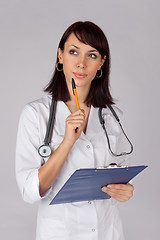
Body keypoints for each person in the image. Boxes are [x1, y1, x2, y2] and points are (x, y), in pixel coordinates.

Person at [15, 21, 134, 240]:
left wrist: (124, 191)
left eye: (92, 55)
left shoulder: (114, 117)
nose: (81, 64)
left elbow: (117, 174)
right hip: (60, 232)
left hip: (107, 231)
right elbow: (30, 191)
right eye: (73, 52)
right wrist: (68, 141)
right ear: (60, 56)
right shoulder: (35, 114)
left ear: (101, 63)